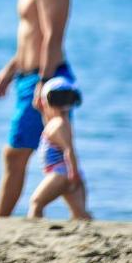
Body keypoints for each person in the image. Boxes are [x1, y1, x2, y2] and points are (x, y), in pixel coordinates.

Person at [0, 0, 76, 217]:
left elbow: (52, 37)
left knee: (15, 155)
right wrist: (9, 71)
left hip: (45, 79)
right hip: (30, 78)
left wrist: (43, 82)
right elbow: (31, 40)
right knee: (57, 154)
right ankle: (83, 218)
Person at [28, 76, 91, 220]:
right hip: (66, 172)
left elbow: (69, 150)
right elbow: (47, 119)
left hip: (62, 173)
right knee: (80, 214)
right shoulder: (58, 121)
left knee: (36, 202)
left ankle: (34, 227)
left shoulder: (59, 124)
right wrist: (41, 107)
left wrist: (73, 174)